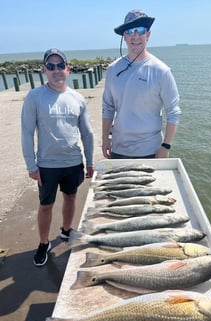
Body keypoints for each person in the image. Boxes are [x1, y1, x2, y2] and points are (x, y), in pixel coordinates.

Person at [21, 48, 95, 266]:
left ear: (68, 69)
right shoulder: (34, 97)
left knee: (71, 197)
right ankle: (44, 243)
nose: (56, 70)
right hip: (46, 165)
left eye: (60, 66)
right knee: (45, 205)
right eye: (50, 66)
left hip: (73, 162)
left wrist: (90, 162)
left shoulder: (78, 99)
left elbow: (87, 133)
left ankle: (66, 230)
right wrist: (31, 165)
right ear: (44, 70)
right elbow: (26, 132)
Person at [102, 9, 181, 159]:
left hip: (151, 151)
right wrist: (105, 139)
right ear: (124, 36)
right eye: (130, 31)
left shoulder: (161, 71)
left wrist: (166, 146)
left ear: (148, 35)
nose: (135, 36)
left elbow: (173, 112)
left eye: (140, 30)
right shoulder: (113, 69)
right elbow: (108, 107)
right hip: (118, 149)